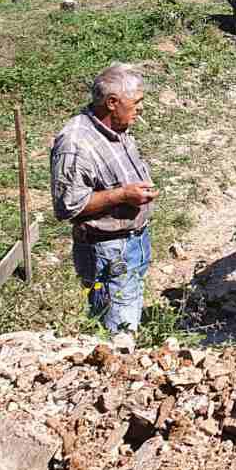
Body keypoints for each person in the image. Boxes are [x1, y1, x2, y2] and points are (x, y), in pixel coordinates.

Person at [50, 64, 158, 340]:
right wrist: (123, 195)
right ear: (112, 103)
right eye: (136, 103)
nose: (141, 109)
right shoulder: (75, 144)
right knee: (116, 331)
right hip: (107, 250)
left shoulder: (117, 127)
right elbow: (68, 206)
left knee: (127, 309)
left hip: (133, 242)